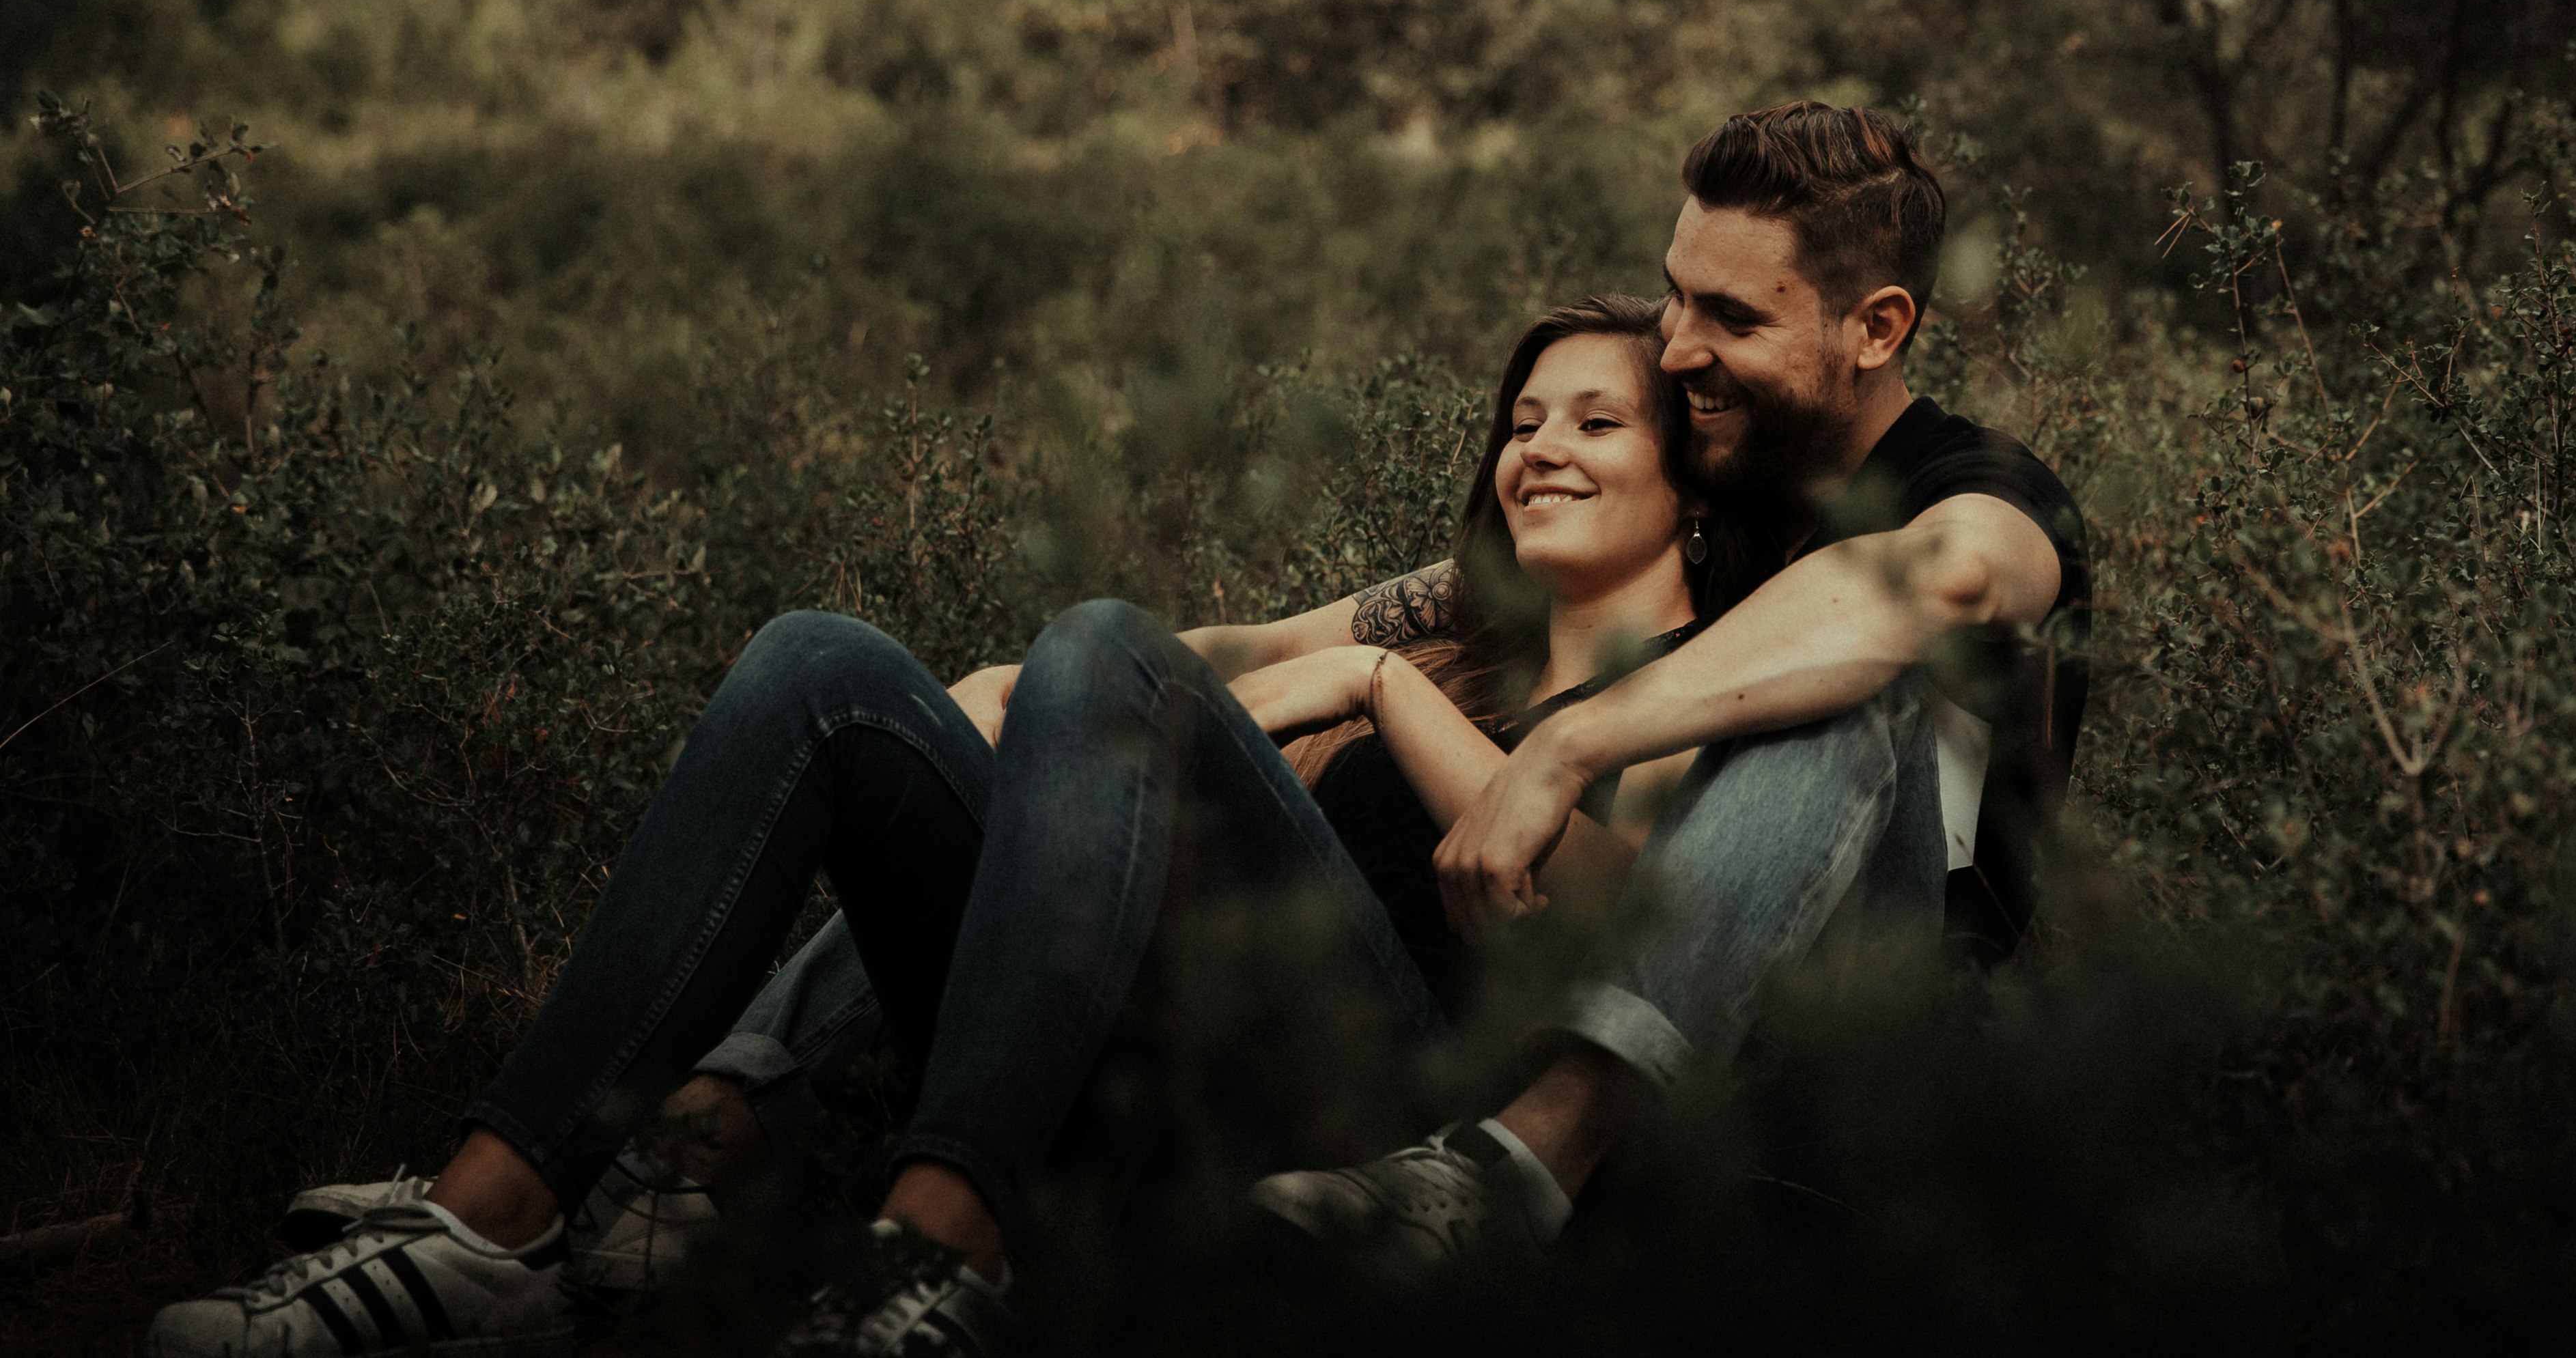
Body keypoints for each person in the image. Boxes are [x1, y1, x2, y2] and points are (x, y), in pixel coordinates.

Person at [141, 296, 1770, 1358]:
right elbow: (1185, 664)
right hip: (1146, 1068)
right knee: (832, 668)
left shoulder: (1696, 683)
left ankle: (928, 1261)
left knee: (1106, 647)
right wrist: (1008, 695)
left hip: (1366, 1124)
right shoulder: (1448, 626)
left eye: (1596, 422)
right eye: (1527, 418)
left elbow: (1619, 922)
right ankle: (487, 1221)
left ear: (1690, 480)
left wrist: (1367, 689)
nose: (1541, 445)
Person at [1246, 101, 2090, 1269]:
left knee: (1846, 673)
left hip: (1876, 1045)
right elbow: (1325, 628)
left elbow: (1941, 581)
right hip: (1681, 1004)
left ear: (1879, 327)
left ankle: (1534, 1153)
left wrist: (1568, 744)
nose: (1680, 345)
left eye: (1731, 315)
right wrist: (1025, 682)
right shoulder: (1714, 492)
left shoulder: (1978, 485)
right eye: (1676, 293)